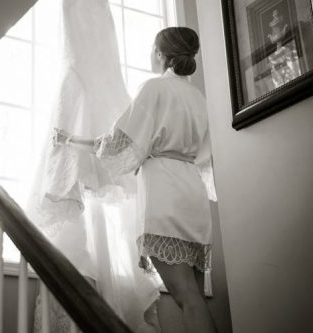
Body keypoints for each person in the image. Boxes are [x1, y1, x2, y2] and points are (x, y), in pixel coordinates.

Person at [53, 26, 219, 333]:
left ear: (160, 53)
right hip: (193, 194)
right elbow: (207, 155)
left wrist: (72, 140)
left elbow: (120, 141)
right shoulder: (197, 97)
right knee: (194, 298)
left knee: (187, 298)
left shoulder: (154, 88)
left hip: (165, 193)